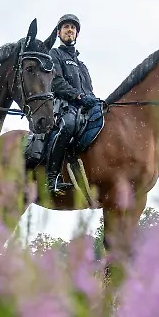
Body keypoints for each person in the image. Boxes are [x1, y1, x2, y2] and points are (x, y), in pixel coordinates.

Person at [45, 13, 102, 194]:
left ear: (76, 34)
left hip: (82, 108)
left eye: (73, 28)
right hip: (63, 106)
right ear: (59, 33)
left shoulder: (82, 65)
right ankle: (52, 179)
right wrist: (78, 96)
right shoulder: (54, 54)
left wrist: (92, 99)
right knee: (68, 125)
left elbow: (89, 90)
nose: (70, 30)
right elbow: (57, 82)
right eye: (66, 27)